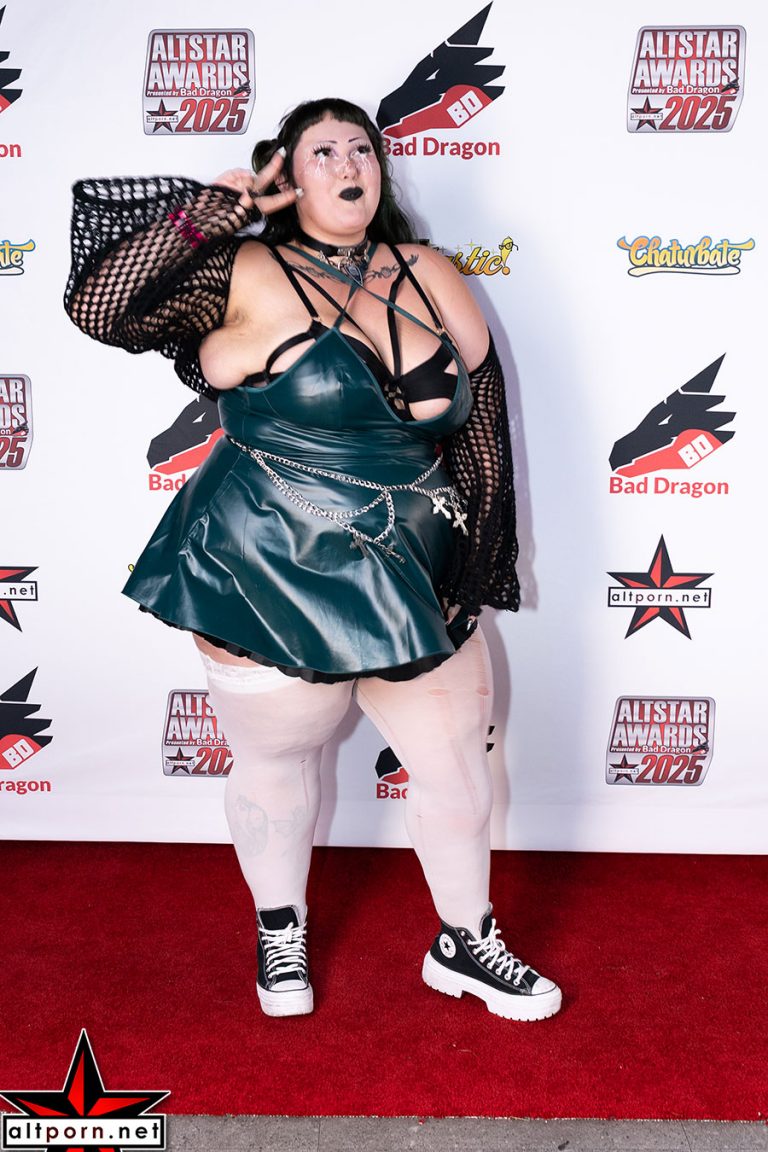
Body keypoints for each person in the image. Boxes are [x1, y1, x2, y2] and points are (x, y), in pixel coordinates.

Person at [65, 97, 561, 1022]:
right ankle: (280, 926)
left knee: (455, 763)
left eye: (361, 147)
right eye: (321, 150)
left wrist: (476, 560)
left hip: (411, 568)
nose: (347, 162)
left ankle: (464, 941)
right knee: (278, 760)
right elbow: (99, 306)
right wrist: (213, 213)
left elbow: (481, 424)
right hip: (265, 563)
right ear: (288, 175)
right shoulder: (243, 268)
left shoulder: (428, 271)